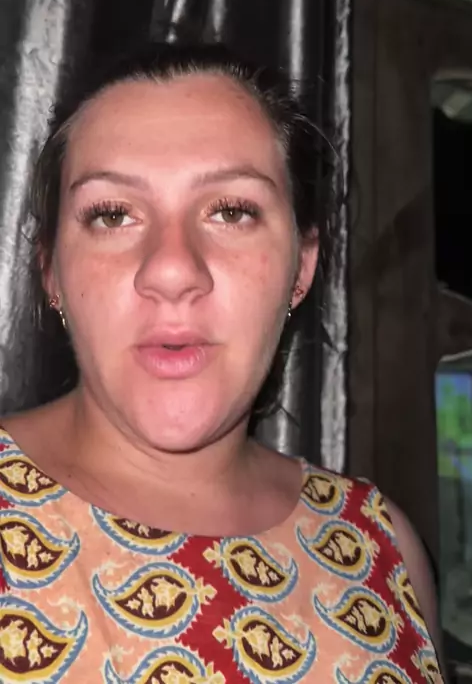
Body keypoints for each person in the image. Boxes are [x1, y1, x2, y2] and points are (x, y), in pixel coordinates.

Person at [0, 42, 444, 683]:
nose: (172, 269)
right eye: (113, 215)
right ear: (51, 272)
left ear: (302, 266)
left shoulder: (383, 546)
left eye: (232, 211)